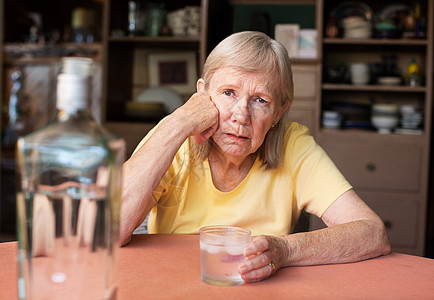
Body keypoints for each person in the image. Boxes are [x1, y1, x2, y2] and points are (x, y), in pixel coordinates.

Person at [120, 31, 391, 282]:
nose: (241, 115)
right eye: (228, 93)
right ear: (201, 94)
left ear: (279, 112)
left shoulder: (293, 145)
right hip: (171, 285)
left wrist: (285, 249)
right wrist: (178, 123)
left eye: (260, 100)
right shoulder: (173, 137)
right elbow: (110, 230)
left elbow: (373, 234)